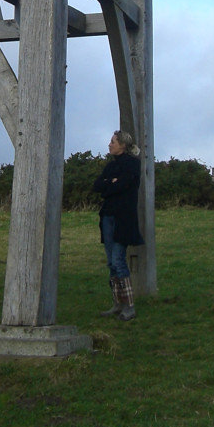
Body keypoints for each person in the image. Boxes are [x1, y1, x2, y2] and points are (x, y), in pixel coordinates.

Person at [93, 129, 144, 321]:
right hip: (107, 216)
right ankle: (117, 303)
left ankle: (129, 306)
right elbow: (97, 186)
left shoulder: (132, 165)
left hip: (123, 218)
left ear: (122, 144)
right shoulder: (111, 166)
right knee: (111, 263)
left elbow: (120, 186)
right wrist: (110, 183)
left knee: (118, 261)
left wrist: (109, 186)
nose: (109, 144)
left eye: (113, 141)